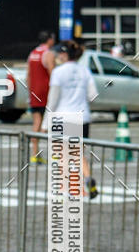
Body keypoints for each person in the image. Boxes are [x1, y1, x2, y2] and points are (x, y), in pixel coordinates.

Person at [42, 40, 98, 199]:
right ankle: (88, 179)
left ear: (64, 55)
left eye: (59, 53)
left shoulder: (58, 72)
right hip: (83, 117)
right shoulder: (85, 70)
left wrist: (45, 123)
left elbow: (53, 100)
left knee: (64, 156)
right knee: (79, 153)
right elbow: (93, 95)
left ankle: (67, 189)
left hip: (63, 117)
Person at [26, 31, 56, 163]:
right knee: (52, 123)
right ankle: (54, 154)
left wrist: (30, 91)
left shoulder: (32, 53)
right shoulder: (48, 54)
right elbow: (53, 75)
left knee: (37, 122)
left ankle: (35, 154)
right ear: (49, 40)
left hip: (34, 93)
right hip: (46, 93)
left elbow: (28, 75)